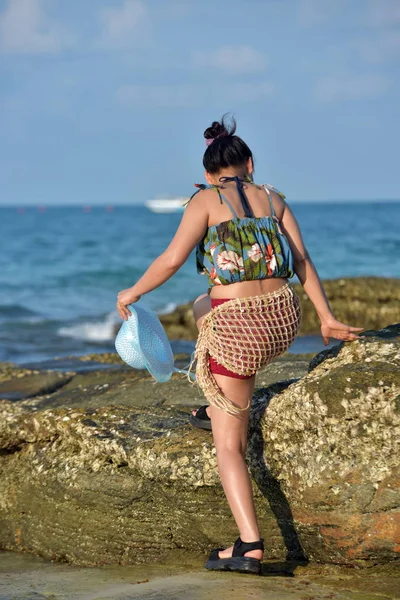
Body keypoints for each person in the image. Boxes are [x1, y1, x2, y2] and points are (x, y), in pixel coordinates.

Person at [116, 114, 363, 575]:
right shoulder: (274, 198)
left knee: (229, 446)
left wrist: (133, 292)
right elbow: (302, 259)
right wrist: (326, 318)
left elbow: (172, 259)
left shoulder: (205, 200)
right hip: (282, 320)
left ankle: (248, 544)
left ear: (209, 174)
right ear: (249, 162)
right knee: (199, 305)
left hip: (240, 332)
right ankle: (214, 406)